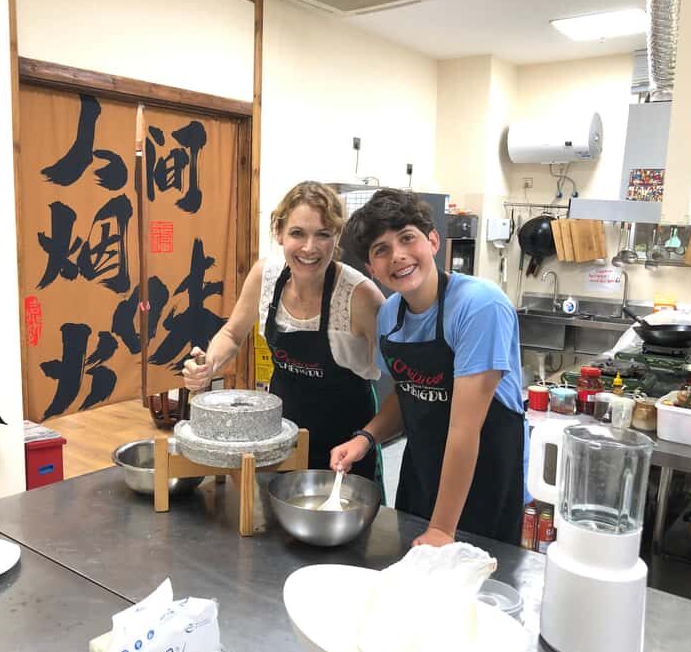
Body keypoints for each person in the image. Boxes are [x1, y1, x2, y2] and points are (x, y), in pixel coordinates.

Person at [330, 188, 525, 546]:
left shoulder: (478, 307)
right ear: (372, 268)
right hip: (421, 472)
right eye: (381, 250)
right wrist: (366, 437)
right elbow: (408, 394)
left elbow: (465, 428)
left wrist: (442, 529)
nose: (398, 256)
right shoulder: (390, 315)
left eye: (407, 239)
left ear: (433, 240)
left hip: (483, 477)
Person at [183, 181, 385, 478]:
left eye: (323, 235)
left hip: (347, 447)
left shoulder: (361, 297)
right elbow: (232, 334)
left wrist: (366, 439)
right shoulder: (266, 276)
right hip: (280, 440)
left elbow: (401, 380)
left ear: (337, 236)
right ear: (279, 232)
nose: (309, 248)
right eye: (297, 233)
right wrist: (209, 365)